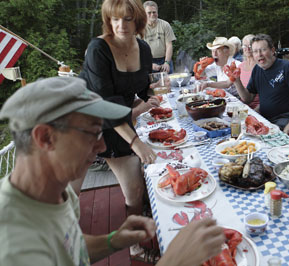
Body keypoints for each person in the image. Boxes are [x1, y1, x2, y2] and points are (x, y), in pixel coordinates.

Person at [0, 77, 225, 265]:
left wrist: (114, 241)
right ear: (45, 138)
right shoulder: (15, 246)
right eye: (92, 133)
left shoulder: (56, 193)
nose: (102, 147)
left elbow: (69, 247)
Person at [79, 0, 162, 215]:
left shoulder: (143, 49)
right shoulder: (98, 50)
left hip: (117, 121)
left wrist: (153, 96)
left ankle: (134, 244)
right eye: (115, 19)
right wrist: (136, 143)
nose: (121, 26)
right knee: (69, 194)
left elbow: (144, 87)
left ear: (138, 20)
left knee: (134, 189)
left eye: (127, 19)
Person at [232, 33, 289, 130]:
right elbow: (248, 98)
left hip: (285, 119)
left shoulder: (288, 68)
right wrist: (236, 80)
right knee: (236, 126)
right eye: (255, 51)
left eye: (263, 50)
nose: (259, 54)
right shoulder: (257, 69)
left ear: (272, 50)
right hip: (264, 118)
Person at [143, 0, 176, 73]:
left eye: (154, 12)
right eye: (149, 13)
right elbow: (138, 50)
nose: (152, 14)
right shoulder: (140, 28)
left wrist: (167, 62)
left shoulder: (165, 25)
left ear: (157, 12)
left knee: (170, 83)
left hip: (165, 60)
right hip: (148, 61)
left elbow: (169, 45)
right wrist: (149, 64)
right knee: (150, 84)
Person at [237, 34, 259, 109]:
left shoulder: (260, 66)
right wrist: (208, 84)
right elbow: (227, 82)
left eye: (250, 46)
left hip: (257, 107)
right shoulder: (240, 66)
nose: (247, 49)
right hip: (243, 105)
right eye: (245, 46)